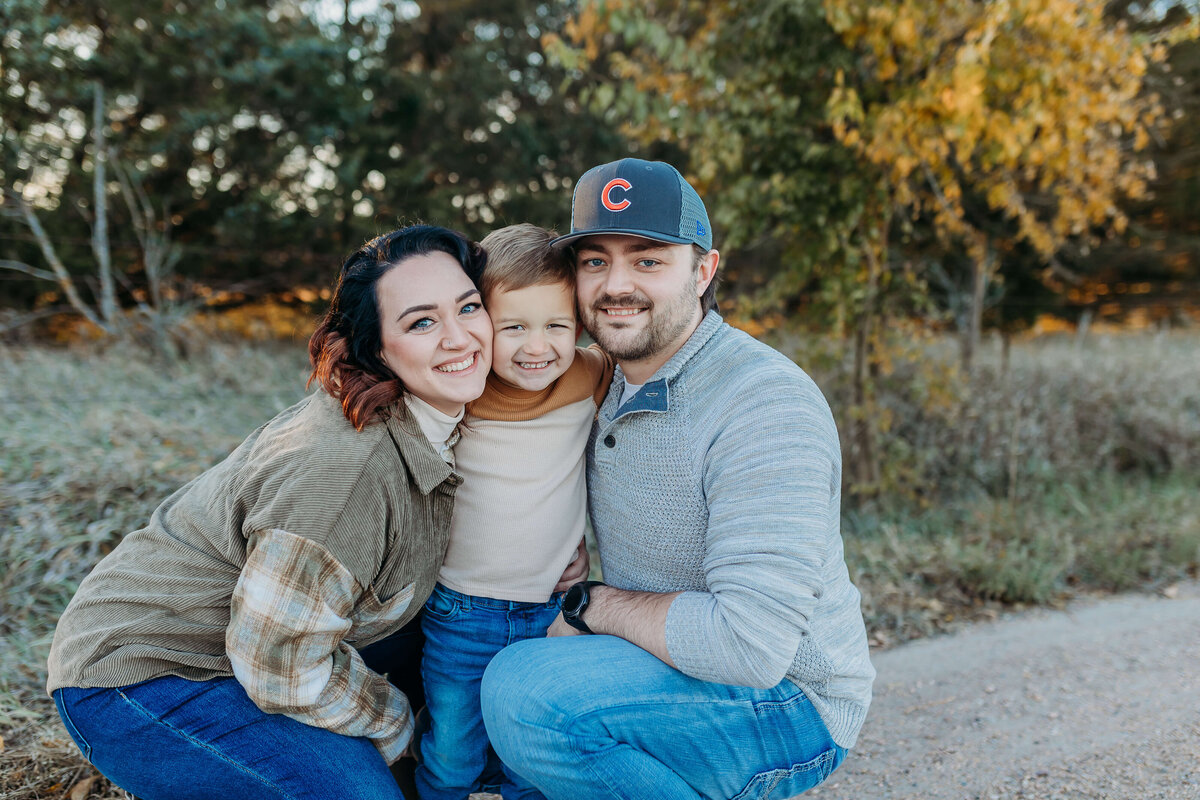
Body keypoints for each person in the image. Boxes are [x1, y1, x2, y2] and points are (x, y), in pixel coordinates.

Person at [47, 225, 498, 800]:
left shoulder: (431, 415)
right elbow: (277, 665)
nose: (460, 338)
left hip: (253, 642)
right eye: (422, 322)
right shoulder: (348, 472)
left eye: (469, 307)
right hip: (143, 677)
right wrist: (400, 730)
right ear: (377, 347)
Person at [479, 159, 876, 800]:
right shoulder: (594, 375)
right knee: (473, 679)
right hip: (657, 662)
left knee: (527, 695)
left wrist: (590, 604)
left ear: (704, 271)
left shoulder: (764, 402)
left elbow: (750, 647)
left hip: (784, 700)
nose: (616, 285)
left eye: (648, 260)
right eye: (594, 261)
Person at [415, 223, 612, 800]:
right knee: (453, 756)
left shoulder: (590, 373)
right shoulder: (459, 389)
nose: (536, 347)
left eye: (556, 325)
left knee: (534, 762)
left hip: (550, 612)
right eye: (513, 327)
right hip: (460, 611)